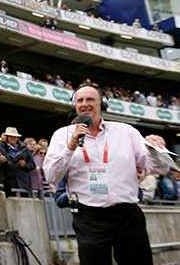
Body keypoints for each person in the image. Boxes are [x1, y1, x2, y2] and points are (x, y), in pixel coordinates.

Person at [43, 85, 168, 265]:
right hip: (89, 218)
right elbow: (51, 177)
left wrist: (156, 151)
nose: (85, 104)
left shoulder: (126, 131)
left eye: (90, 99)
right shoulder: (62, 136)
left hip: (128, 216)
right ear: (74, 106)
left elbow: (159, 169)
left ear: (103, 104)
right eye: (80, 100)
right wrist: (70, 147)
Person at [0, 127, 35, 197]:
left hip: (23, 184)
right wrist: (3, 141)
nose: (12, 138)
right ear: (6, 137)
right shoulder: (2, 148)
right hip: (8, 184)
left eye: (14, 136)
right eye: (10, 136)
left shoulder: (25, 149)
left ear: (17, 137)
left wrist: (25, 165)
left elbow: (32, 165)